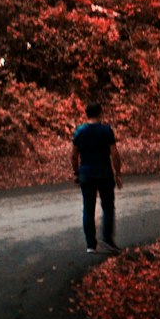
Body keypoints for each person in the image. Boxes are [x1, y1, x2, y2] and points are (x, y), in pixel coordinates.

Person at [71, 101, 122, 253]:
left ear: (86, 114)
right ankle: (107, 238)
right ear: (100, 113)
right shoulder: (106, 130)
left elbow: (74, 155)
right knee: (107, 207)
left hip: (86, 173)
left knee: (88, 207)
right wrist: (117, 173)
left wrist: (76, 173)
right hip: (104, 173)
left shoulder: (79, 131)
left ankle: (90, 244)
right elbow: (114, 153)